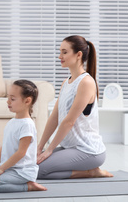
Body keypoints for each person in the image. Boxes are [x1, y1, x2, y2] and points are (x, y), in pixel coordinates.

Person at [37, 35, 113, 179]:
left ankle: (91, 172)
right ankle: (89, 171)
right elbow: (54, 117)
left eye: (64, 52)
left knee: (37, 171)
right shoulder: (66, 83)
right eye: (60, 52)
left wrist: (50, 150)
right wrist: (40, 147)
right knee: (30, 166)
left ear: (78, 55)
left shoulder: (86, 83)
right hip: (71, 148)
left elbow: (69, 121)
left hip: (89, 151)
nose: (60, 56)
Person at [0, 80, 47, 193]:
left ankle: (29, 186)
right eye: (8, 97)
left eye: (13, 99)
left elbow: (21, 153)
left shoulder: (27, 125)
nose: (8, 101)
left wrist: (1, 169)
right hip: (10, 168)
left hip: (22, 171)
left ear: (27, 101)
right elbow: (4, 147)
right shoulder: (12, 122)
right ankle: (9, 178)